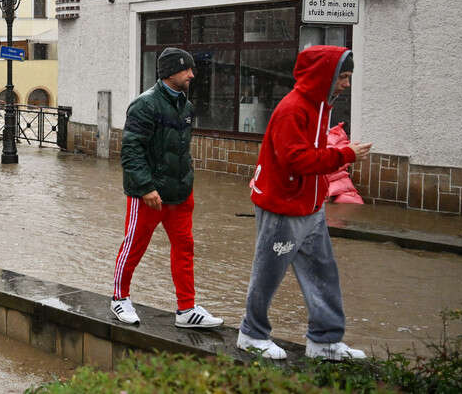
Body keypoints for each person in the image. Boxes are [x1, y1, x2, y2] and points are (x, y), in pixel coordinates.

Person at [237, 45, 371, 361]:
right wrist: (345, 155)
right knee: (267, 274)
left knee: (323, 273)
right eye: (344, 77)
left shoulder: (319, 107)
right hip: (282, 209)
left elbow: (307, 155)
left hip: (311, 208)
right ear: (327, 76)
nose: (347, 85)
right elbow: (296, 160)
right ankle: (251, 335)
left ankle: (324, 343)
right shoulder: (293, 109)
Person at [110, 47, 223, 328]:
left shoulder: (185, 106)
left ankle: (187, 309)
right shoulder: (144, 105)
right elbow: (131, 151)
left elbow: (180, 149)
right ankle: (119, 299)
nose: (192, 75)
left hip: (181, 193)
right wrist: (146, 187)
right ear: (171, 72)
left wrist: (187, 180)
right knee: (134, 246)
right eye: (187, 70)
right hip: (149, 195)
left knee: (185, 248)